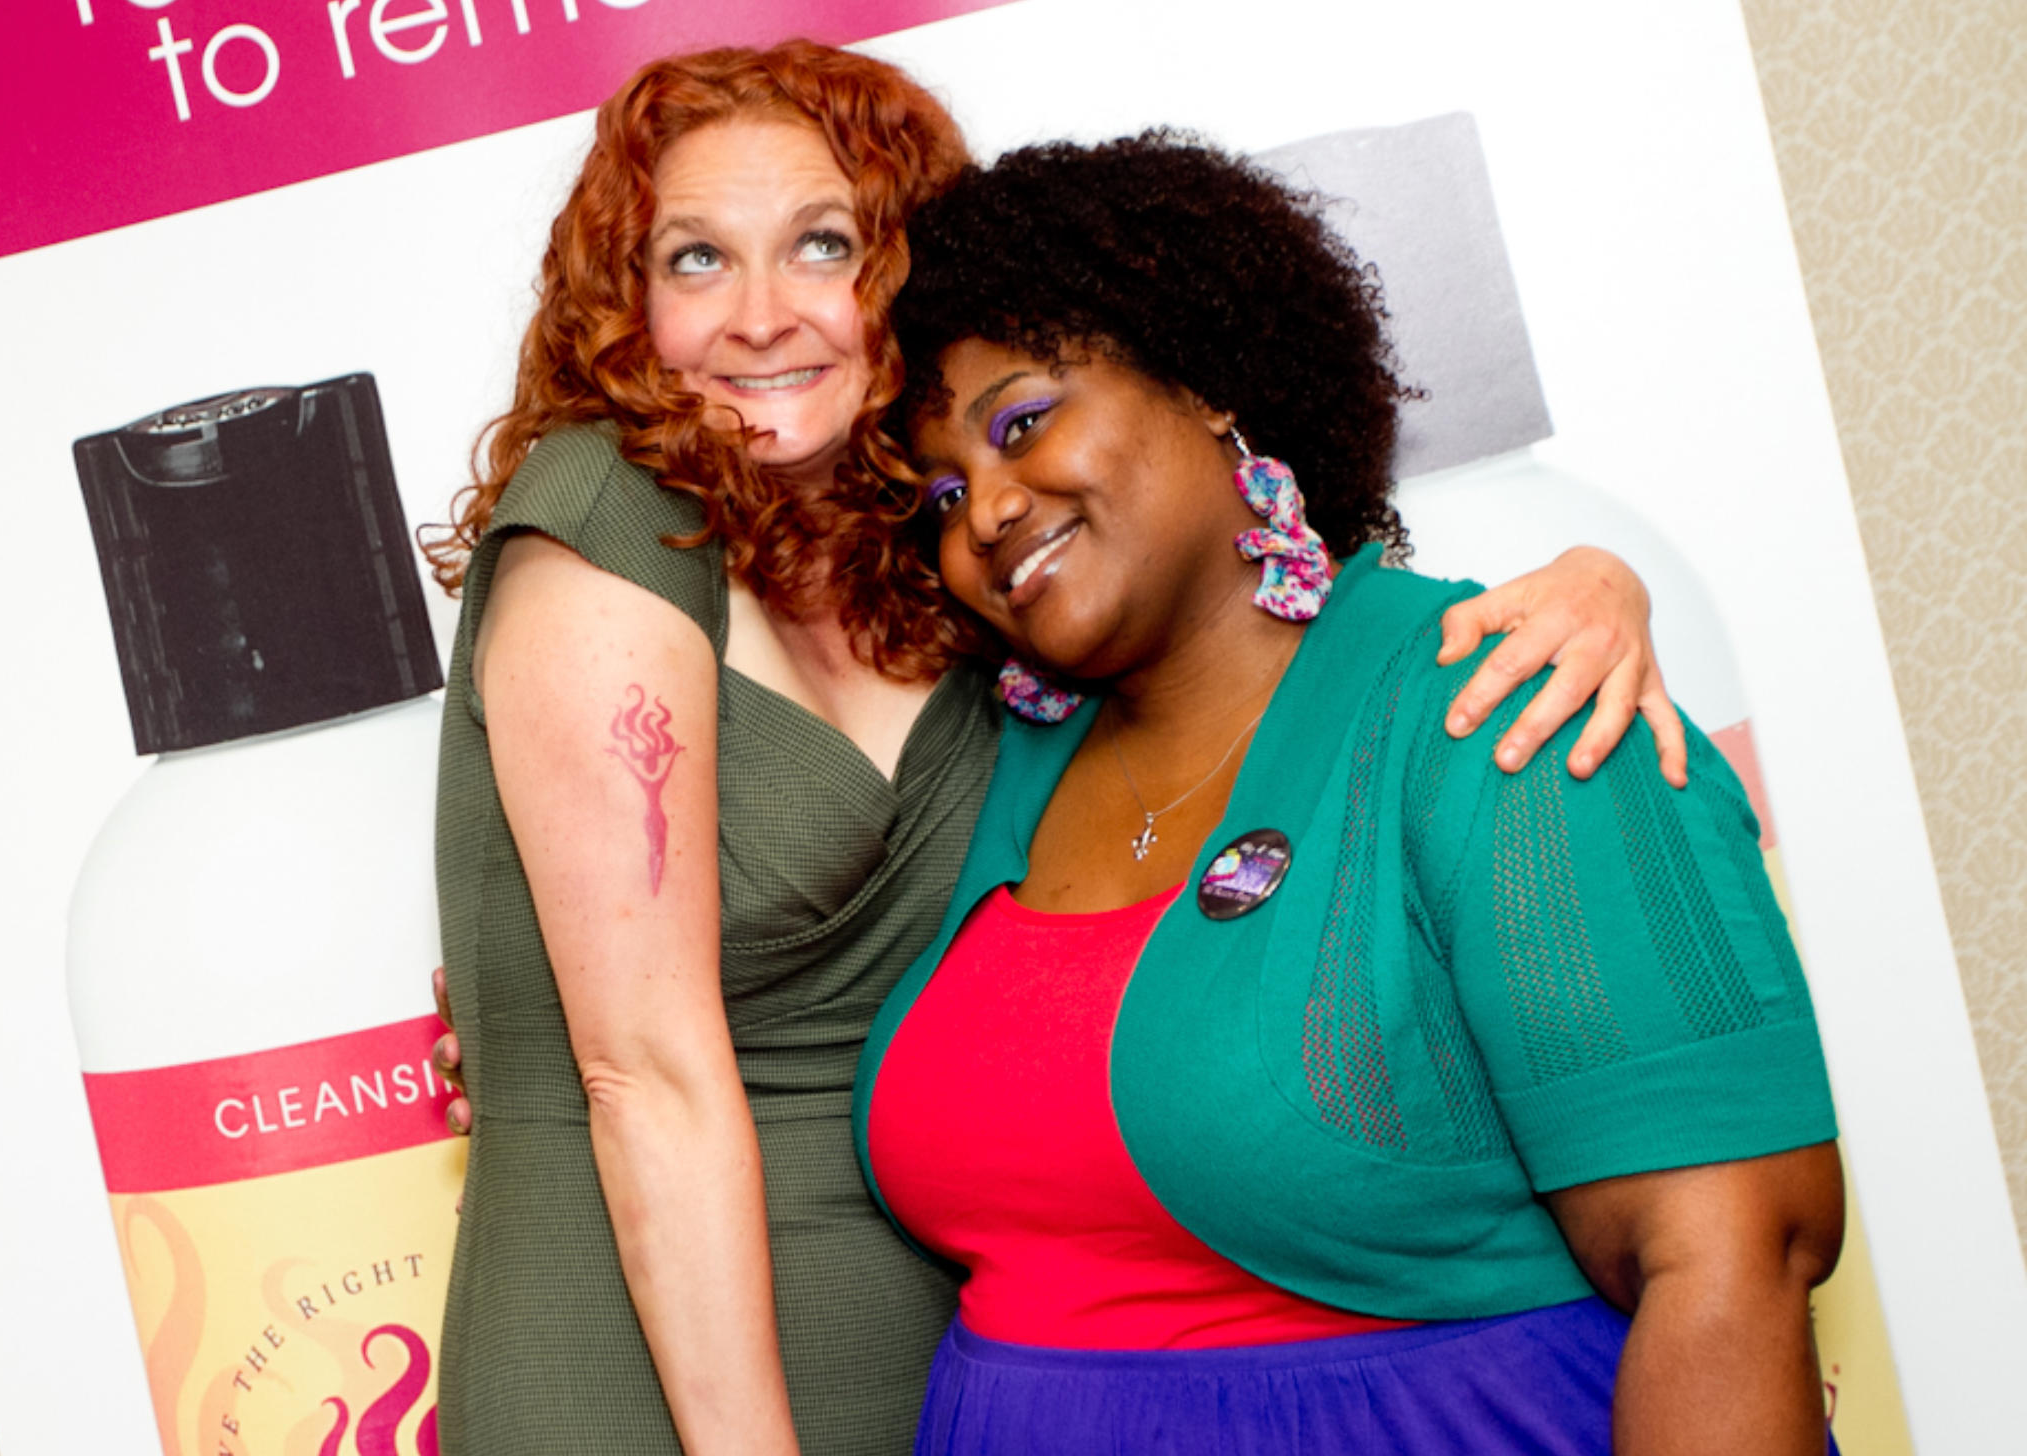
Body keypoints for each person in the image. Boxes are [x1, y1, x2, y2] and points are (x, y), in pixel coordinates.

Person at [427, 42, 1688, 1456]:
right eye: (697, 260)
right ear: (626, 299)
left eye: (822, 246)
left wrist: (1589, 582)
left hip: (960, 1358)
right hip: (651, 1376)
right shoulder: (604, 510)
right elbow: (640, 1068)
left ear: (900, 274)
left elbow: (1264, 637)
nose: (762, 316)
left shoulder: (963, 578)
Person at [851, 132, 1845, 1456]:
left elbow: (1728, 1266)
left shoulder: (1507, 704)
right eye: (941, 495)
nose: (983, 513)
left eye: (1023, 422)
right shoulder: (986, 770)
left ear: (1204, 379)